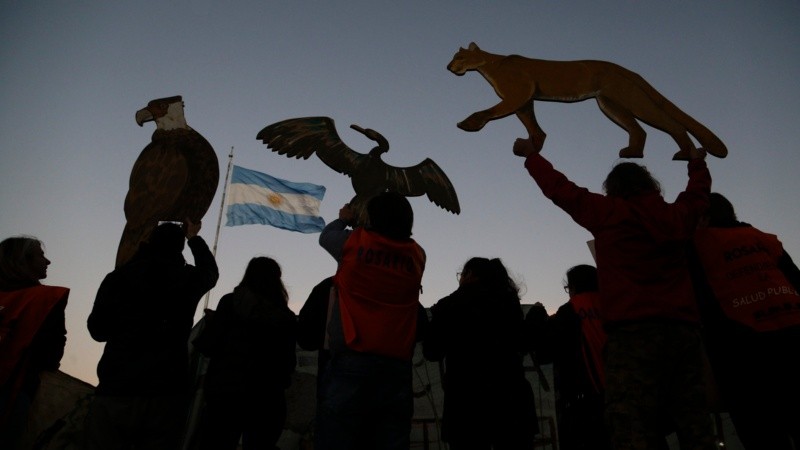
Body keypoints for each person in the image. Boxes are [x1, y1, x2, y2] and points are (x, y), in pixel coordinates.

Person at [514, 137, 716, 450]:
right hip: (684, 333)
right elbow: (698, 195)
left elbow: (561, 190)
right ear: (650, 184)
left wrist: (531, 156)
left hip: (632, 334)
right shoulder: (676, 217)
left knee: (631, 425)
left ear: (613, 188)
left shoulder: (608, 213)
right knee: (694, 422)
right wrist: (696, 163)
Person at [82, 219, 218, 450]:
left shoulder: (119, 277)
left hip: (117, 385)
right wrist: (193, 237)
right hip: (166, 390)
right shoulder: (187, 279)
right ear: (180, 247)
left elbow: (98, 330)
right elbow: (209, 272)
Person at [315, 192, 427, 450]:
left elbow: (325, 237)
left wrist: (343, 218)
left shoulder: (352, 243)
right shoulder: (418, 256)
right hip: (397, 366)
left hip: (353, 359)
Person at [689, 192, 800, 450]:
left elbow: (695, 296)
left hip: (742, 352)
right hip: (794, 337)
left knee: (763, 435)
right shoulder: (764, 239)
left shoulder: (698, 245)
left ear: (701, 219)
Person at [423, 257, 539, 449]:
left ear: (469, 275)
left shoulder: (450, 304)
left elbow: (432, 351)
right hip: (511, 403)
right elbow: (524, 342)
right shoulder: (508, 302)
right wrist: (535, 317)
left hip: (466, 406)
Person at [195, 256, 297, 450]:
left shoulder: (229, 304)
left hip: (224, 393)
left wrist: (215, 323)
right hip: (266, 397)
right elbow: (287, 362)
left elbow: (209, 346)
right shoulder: (285, 318)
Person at [525, 264, 610, 450]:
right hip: (623, 397)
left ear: (573, 287)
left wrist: (537, 314)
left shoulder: (569, 312)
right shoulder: (613, 306)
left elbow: (545, 351)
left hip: (585, 408)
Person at [0, 236, 69, 448]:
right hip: (13, 395)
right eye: (41, 255)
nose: (47, 261)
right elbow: (50, 356)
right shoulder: (46, 300)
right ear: (22, 260)